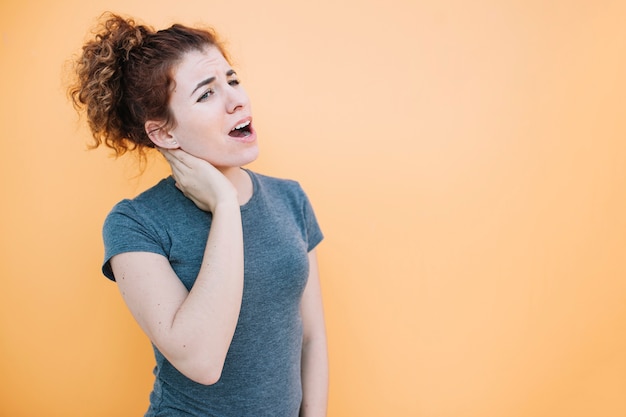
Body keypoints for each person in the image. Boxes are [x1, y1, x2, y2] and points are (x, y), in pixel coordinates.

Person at [69, 12, 328, 417]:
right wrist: (224, 206)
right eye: (206, 94)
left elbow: (311, 338)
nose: (236, 99)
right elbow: (202, 361)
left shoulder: (290, 199)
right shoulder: (136, 224)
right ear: (164, 133)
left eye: (233, 80)